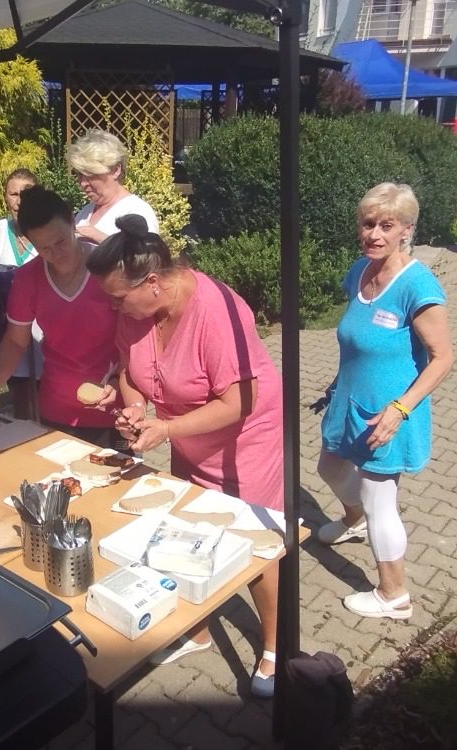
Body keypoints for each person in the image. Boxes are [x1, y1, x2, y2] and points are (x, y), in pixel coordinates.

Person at [86, 214, 284, 698]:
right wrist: (135, 409)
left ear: (153, 283)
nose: (113, 306)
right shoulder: (135, 313)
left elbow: (240, 401)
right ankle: (196, 630)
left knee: (252, 545)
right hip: (186, 436)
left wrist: (167, 428)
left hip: (245, 441)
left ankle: (275, 648)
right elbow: (130, 371)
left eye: (118, 297)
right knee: (188, 533)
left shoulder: (216, 311)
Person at [315, 183, 453, 621]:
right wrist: (336, 385)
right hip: (349, 399)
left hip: (390, 412)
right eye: (368, 223)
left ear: (406, 230)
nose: (374, 234)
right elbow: (359, 339)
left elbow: (443, 358)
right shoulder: (360, 271)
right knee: (330, 468)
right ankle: (353, 520)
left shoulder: (417, 286)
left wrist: (400, 409)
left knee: (380, 501)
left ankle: (393, 595)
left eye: (386, 226)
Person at [0, 186, 120, 446]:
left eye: (61, 242)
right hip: (56, 405)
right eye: (44, 248)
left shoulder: (108, 268)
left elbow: (135, 335)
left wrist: (120, 379)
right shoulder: (27, 278)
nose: (56, 254)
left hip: (111, 405)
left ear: (72, 222)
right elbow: (16, 341)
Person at [0, 168, 44, 419]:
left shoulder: (47, 234)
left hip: (44, 330)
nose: (18, 201)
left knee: (47, 394)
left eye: (25, 194)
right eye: (13, 194)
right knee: (19, 392)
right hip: (10, 327)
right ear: (5, 197)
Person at [66, 130, 159, 248]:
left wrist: (103, 240)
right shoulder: (85, 212)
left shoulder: (137, 211)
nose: (83, 183)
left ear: (115, 170)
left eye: (91, 174)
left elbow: (147, 256)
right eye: (79, 174)